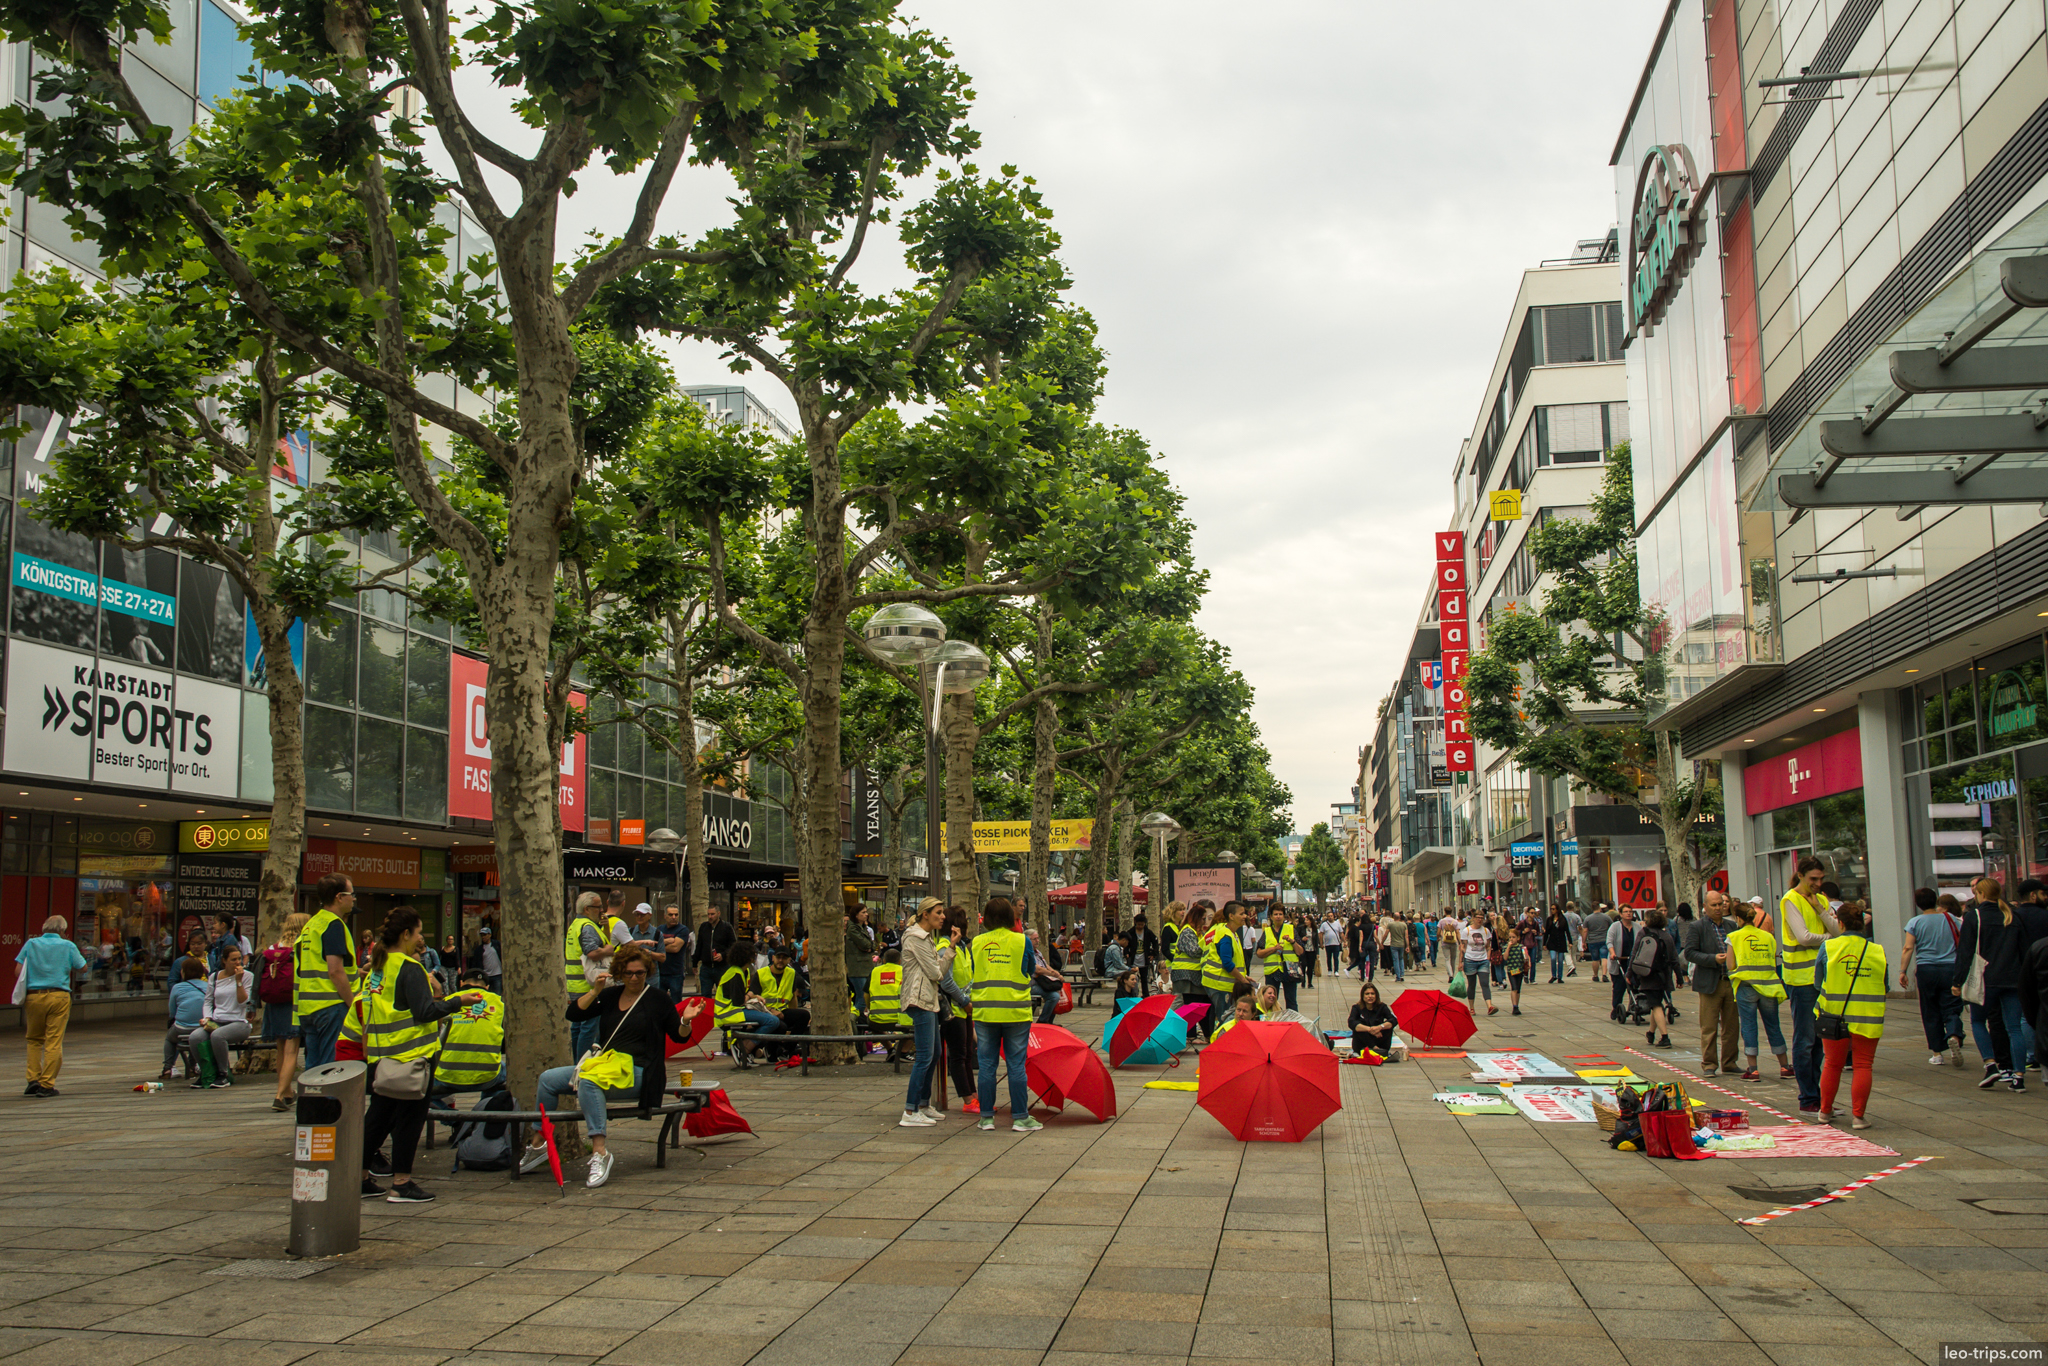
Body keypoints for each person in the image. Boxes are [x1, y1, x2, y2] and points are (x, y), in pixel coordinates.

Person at [520, 945, 705, 1189]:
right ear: (619, 973)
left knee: (589, 1082)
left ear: (647, 972)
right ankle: (538, 1144)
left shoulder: (658, 999)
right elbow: (573, 1014)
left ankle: (600, 1152)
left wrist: (685, 1021)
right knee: (547, 1079)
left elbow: (679, 1036)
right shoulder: (609, 996)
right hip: (606, 1065)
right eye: (629, 973)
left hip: (640, 1072)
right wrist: (595, 991)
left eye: (640, 973)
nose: (634, 978)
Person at [355, 909, 482, 1201]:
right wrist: (457, 1001)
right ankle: (401, 1183)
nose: (420, 938)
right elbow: (424, 1011)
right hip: (411, 1059)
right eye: (418, 932)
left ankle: (358, 1178)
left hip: (380, 1059)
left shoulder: (377, 968)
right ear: (405, 934)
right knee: (409, 1122)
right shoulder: (409, 968)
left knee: (377, 1120)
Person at [1954, 877, 2034, 1093]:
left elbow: (1965, 951)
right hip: (2012, 979)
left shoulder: (1974, 916)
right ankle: (2019, 1077)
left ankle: (1990, 1065)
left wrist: (1957, 981)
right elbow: (2024, 951)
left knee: (1978, 1021)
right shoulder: (2012, 915)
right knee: (2014, 1027)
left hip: (1985, 979)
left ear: (1980, 894)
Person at [968, 899, 1040, 1133]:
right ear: (1010, 916)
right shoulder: (1022, 941)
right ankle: (1020, 1117)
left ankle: (986, 1118)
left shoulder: (977, 942)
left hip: (985, 1010)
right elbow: (1030, 969)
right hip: (1016, 1010)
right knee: (1016, 1064)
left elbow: (974, 970)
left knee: (987, 1065)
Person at [1779, 855, 1839, 1113]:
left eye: (1821, 879)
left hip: (1823, 980)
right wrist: (1829, 938)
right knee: (1805, 1041)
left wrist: (1820, 911)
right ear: (1800, 875)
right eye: (1813, 878)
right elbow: (1804, 937)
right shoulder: (1790, 899)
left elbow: (1839, 930)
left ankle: (1817, 1097)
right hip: (1802, 980)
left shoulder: (1821, 900)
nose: (1818, 883)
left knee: (1819, 1041)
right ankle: (1808, 1098)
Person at [1817, 904, 1886, 1128]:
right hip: (1868, 1016)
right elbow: (1884, 985)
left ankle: (1825, 1111)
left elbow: (1818, 982)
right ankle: (1858, 1117)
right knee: (1863, 1065)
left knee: (1832, 1064)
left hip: (1834, 1016)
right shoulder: (1877, 950)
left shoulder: (1829, 947)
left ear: (1840, 923)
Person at [898, 898, 954, 1127]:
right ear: (925, 914)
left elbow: (938, 970)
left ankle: (922, 1104)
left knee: (934, 1053)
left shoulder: (926, 937)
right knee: (924, 1056)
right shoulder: (917, 938)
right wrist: (948, 954)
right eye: (938, 912)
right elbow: (936, 973)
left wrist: (950, 949)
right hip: (920, 999)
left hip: (928, 1000)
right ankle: (910, 1110)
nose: (943, 917)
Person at [295, 874, 359, 1072]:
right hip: (331, 1005)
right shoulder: (334, 924)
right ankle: (326, 1094)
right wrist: (353, 1004)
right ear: (339, 897)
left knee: (313, 1068)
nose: (354, 898)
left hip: (308, 1007)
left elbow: (315, 964)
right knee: (331, 1068)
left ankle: (312, 1093)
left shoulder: (311, 925)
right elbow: (335, 971)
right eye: (351, 894)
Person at [1726, 901, 1792, 1082]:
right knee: (1773, 1026)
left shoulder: (1734, 937)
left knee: (1749, 1026)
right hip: (1768, 986)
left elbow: (1730, 965)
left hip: (1746, 986)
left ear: (1738, 919)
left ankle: (1753, 1070)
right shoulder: (1768, 937)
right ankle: (1785, 1066)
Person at [1900, 887, 1965, 1068]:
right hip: (1950, 968)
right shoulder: (1950, 918)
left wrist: (1902, 971)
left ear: (1917, 904)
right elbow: (1963, 940)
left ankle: (1937, 1053)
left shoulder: (1915, 922)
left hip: (1926, 969)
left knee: (1930, 1010)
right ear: (1935, 900)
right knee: (1952, 1006)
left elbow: (1908, 948)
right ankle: (1953, 1034)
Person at [1683, 891, 1740, 1076]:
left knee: (1731, 1026)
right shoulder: (1697, 927)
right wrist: (1713, 958)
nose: (1718, 908)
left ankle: (1729, 1062)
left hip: (1730, 982)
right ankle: (1709, 1064)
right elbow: (1689, 953)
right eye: (1714, 905)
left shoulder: (1731, 925)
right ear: (1705, 907)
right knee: (1709, 1026)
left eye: (1721, 904)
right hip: (1710, 983)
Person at [190, 944, 254, 1088]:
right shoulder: (214, 977)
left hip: (238, 1021)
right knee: (195, 1037)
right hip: (218, 1020)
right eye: (233, 960)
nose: (238, 962)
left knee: (218, 1036)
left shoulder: (247, 976)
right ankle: (206, 1072)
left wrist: (238, 981)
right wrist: (207, 1018)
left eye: (239, 959)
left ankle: (223, 1073)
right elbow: (208, 1000)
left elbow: (243, 1002)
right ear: (224, 961)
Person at [262, 912, 308, 1111]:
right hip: (293, 1002)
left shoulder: (274, 948)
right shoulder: (300, 948)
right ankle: (279, 1096)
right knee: (292, 1051)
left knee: (281, 1049)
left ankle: (287, 1091)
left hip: (274, 1004)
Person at [564, 891, 614, 1059]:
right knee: (589, 1027)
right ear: (587, 909)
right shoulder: (587, 927)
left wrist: (605, 928)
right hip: (589, 984)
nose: (601, 910)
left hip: (575, 983)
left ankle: (576, 1062)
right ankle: (582, 1063)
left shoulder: (576, 925)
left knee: (578, 1025)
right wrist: (609, 950)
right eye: (598, 907)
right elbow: (592, 952)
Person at [716, 939, 784, 1060]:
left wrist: (752, 996)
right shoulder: (736, 975)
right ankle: (744, 1048)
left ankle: (750, 1047)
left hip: (733, 1011)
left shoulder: (742, 971)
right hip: (730, 1013)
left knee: (772, 1021)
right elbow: (739, 1001)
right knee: (772, 1021)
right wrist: (752, 996)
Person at [1199, 902, 1255, 1030]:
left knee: (1219, 1016)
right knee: (1224, 1018)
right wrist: (1243, 980)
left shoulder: (1230, 933)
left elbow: (1233, 962)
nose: (1245, 916)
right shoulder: (1226, 935)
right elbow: (1227, 964)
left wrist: (1244, 976)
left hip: (1220, 983)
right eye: (1241, 914)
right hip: (1219, 984)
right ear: (1231, 916)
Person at [1632, 908, 1680, 1049]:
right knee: (1656, 1002)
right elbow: (1674, 958)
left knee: (1656, 1005)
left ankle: (1665, 1037)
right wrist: (1679, 977)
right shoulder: (1667, 936)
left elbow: (1635, 954)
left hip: (1648, 974)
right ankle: (1651, 1033)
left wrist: (1630, 974)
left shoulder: (1644, 933)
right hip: (1664, 974)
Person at [163, 959, 209, 1080]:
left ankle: (167, 1068)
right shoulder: (208, 986)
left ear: (183, 972)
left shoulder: (177, 987)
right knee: (195, 1037)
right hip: (202, 1027)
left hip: (181, 1028)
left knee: (169, 1039)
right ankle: (192, 1067)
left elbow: (172, 1012)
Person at [1259, 909, 1302, 1010]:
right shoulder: (1267, 931)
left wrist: (1292, 941)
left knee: (1291, 1000)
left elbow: (1300, 951)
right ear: (1271, 917)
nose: (1278, 916)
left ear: (1284, 916)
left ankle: (1292, 1018)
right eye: (1275, 914)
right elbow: (1259, 953)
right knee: (1270, 1001)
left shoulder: (1291, 929)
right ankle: (1272, 1018)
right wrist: (1274, 949)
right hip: (1272, 971)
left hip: (1289, 971)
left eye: (1280, 914)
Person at [1458, 910, 1495, 1015]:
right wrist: (1460, 962)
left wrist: (1488, 957)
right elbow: (1462, 947)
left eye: (1481, 918)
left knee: (1485, 983)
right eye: (1478, 918)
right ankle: (1471, 1007)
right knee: (1472, 984)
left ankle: (1489, 1006)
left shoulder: (1486, 931)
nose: (1480, 920)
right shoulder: (1466, 931)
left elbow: (1488, 946)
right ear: (1473, 918)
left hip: (1483, 960)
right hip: (1470, 960)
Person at [842, 906, 876, 1017]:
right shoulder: (853, 929)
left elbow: (872, 945)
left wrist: (870, 947)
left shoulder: (863, 927)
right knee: (862, 998)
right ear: (856, 915)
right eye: (863, 912)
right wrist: (868, 946)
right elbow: (865, 944)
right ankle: (853, 1018)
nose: (866, 914)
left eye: (866, 912)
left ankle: (856, 1018)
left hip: (865, 967)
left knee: (864, 996)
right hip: (857, 968)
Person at [1605, 906, 1637, 1021]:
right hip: (1619, 961)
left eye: (1630, 911)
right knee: (1619, 987)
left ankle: (1635, 1008)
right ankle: (1616, 1008)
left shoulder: (1637, 927)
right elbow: (1609, 941)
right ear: (1621, 914)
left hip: (1633, 962)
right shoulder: (1615, 927)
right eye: (1626, 912)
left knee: (1635, 987)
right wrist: (1612, 953)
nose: (1628, 914)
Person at [1349, 982, 1397, 1059]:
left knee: (1388, 1025)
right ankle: (1374, 1048)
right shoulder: (1356, 1007)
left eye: (1372, 994)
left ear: (1376, 995)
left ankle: (1380, 1050)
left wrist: (1380, 1027)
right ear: (1363, 995)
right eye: (1367, 994)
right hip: (1363, 1043)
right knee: (1359, 1026)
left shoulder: (1382, 1007)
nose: (1370, 996)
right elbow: (1351, 1022)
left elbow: (1393, 1020)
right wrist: (1369, 1029)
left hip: (1379, 1040)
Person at [658, 905, 690, 1000]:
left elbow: (675, 948)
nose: (673, 917)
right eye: (670, 914)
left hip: (676, 973)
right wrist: (667, 941)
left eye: (676, 915)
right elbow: (653, 946)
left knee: (676, 1002)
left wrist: (660, 944)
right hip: (660, 972)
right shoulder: (660, 929)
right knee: (659, 1001)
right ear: (665, 916)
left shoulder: (683, 929)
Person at [1583, 903, 1612, 983]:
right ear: (1599, 908)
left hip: (1593, 940)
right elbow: (1611, 927)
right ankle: (1604, 974)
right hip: (1604, 939)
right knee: (1604, 957)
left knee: (1595, 959)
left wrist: (1584, 941)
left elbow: (1585, 931)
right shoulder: (1606, 917)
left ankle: (1595, 975)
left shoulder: (1588, 918)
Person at [1563, 903, 1583, 977]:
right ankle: (1574, 969)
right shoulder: (1577, 916)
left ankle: (1571, 967)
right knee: (1573, 954)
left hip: (1566, 937)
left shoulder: (1563, 916)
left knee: (1567, 953)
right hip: (1575, 936)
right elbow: (1580, 927)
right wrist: (1582, 936)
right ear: (1573, 907)